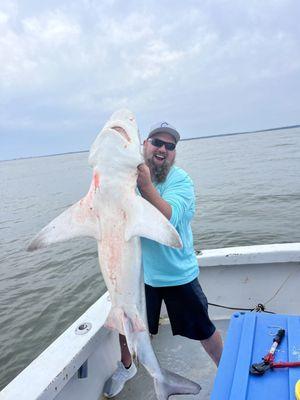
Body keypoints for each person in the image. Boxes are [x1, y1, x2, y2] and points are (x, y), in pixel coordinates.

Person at [103, 121, 223, 398]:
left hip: (176, 273)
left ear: (174, 153)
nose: (163, 149)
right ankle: (127, 365)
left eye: (170, 146)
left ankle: (225, 368)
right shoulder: (125, 180)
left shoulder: (180, 180)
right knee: (126, 325)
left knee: (204, 328)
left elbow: (170, 217)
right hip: (139, 274)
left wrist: (146, 187)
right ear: (144, 144)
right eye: (157, 142)